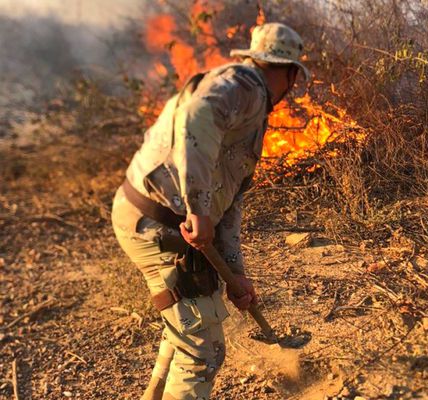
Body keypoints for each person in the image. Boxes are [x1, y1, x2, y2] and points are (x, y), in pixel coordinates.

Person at [111, 22, 310, 400]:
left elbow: (230, 204)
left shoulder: (250, 108)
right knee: (203, 351)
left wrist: (237, 276)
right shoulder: (247, 85)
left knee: (188, 324)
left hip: (151, 217)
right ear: (287, 72)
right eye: (294, 77)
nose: (292, 87)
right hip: (158, 223)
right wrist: (199, 209)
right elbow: (197, 115)